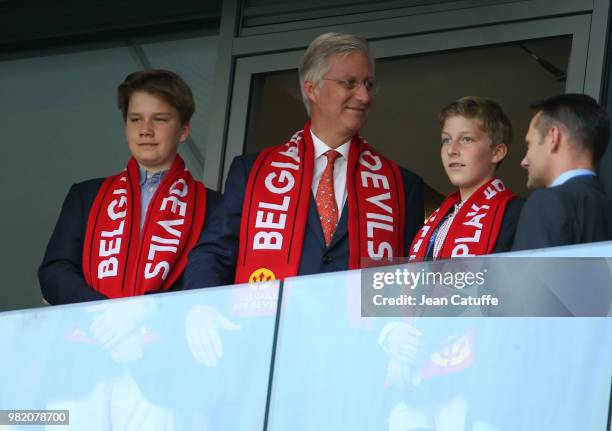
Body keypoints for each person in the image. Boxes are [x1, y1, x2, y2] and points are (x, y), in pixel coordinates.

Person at [185, 32, 424, 288]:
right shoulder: (252, 172)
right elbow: (214, 255)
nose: (364, 96)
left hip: (359, 327)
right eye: (349, 83)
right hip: (271, 325)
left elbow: (410, 279)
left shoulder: (400, 185)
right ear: (312, 89)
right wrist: (201, 309)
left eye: (368, 84)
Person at [39, 69, 220, 304]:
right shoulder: (86, 196)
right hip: (91, 332)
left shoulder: (213, 206)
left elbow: (210, 278)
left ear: (183, 131)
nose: (145, 129)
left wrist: (143, 311)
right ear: (126, 127)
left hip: (166, 334)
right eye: (135, 119)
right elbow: (54, 272)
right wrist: (103, 310)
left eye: (159, 119)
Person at [409, 96, 523, 260]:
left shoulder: (518, 213)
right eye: (446, 140)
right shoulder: (437, 221)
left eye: (466, 139)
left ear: (497, 152)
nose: (451, 150)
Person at [512, 93, 612, 251]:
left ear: (553, 137)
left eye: (529, 144)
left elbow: (530, 275)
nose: (524, 161)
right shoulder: (604, 204)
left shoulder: (546, 201)